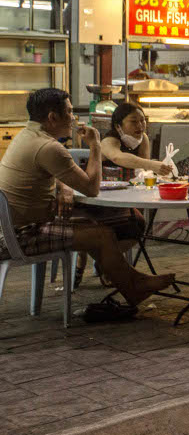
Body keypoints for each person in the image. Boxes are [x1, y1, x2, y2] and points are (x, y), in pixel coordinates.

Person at [0, 88, 174, 306]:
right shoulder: (48, 147)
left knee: (99, 225)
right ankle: (133, 287)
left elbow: (54, 174)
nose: (74, 118)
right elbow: (92, 189)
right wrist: (95, 145)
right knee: (101, 235)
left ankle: (132, 281)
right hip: (19, 235)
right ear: (53, 118)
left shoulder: (27, 136)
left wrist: (63, 187)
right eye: (70, 112)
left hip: (12, 227)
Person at [73, 102, 169, 288]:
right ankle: (105, 264)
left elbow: (141, 170)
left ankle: (105, 262)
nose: (140, 126)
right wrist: (153, 165)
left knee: (136, 223)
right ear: (118, 125)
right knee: (124, 224)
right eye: (133, 122)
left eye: (143, 121)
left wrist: (150, 170)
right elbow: (118, 157)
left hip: (121, 197)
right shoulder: (110, 141)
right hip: (94, 199)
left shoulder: (143, 140)